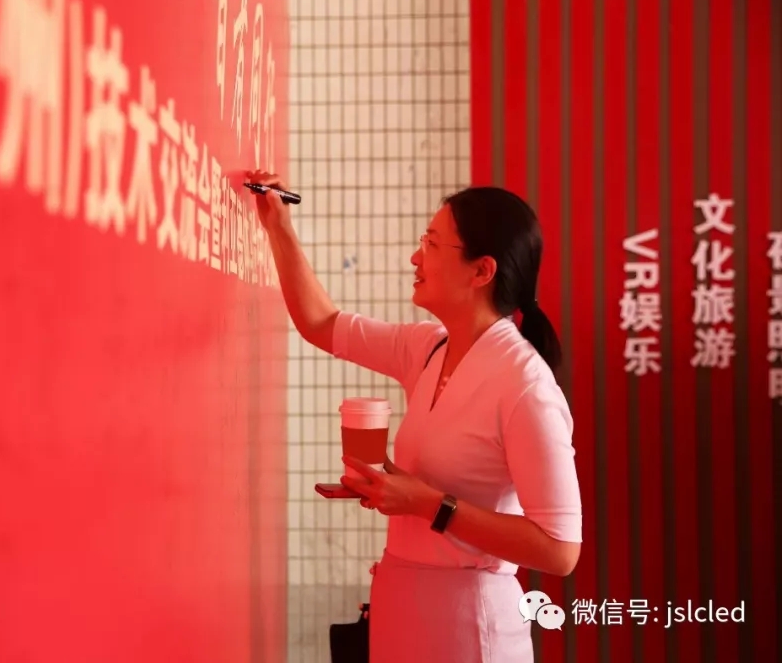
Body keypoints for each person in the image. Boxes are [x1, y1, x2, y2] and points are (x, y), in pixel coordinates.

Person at [249, 172, 582, 662]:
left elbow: (559, 549)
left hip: (470, 627)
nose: (415, 256)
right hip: (402, 607)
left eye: (431, 243)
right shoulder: (428, 348)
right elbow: (321, 324)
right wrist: (278, 226)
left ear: (481, 270)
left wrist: (427, 504)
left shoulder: (526, 385)